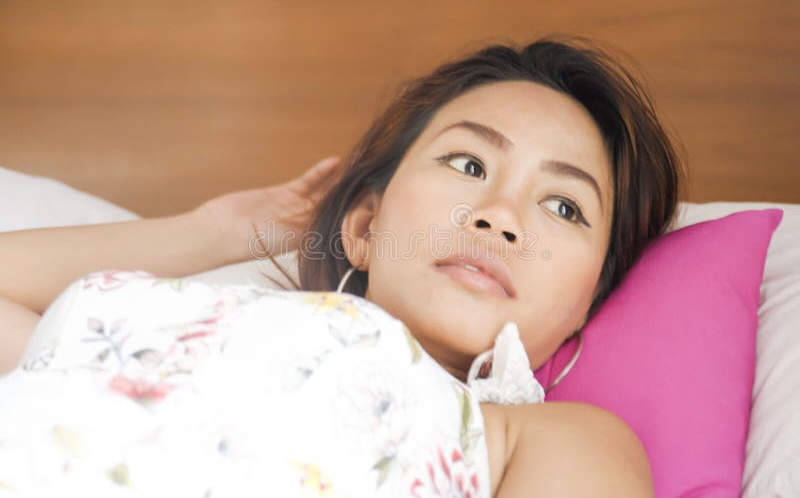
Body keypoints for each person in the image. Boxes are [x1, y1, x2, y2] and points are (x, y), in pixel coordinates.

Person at [0, 34, 685, 496]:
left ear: (585, 307)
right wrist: (213, 232)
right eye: (469, 163)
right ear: (364, 227)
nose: (500, 214)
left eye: (564, 206)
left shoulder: (536, 438)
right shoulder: (192, 318)